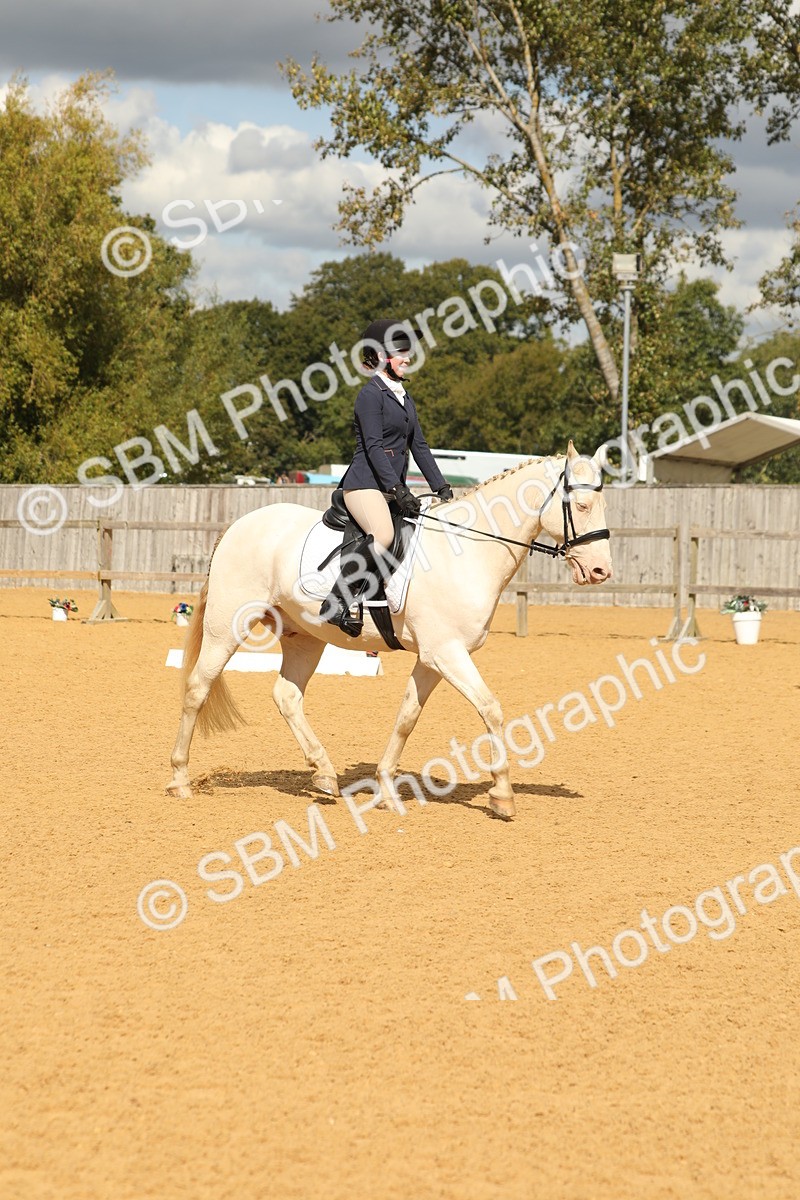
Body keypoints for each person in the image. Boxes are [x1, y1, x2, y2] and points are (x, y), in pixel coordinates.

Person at [319, 318, 454, 636]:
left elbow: (419, 447)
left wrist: (442, 487)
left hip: (391, 488)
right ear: (381, 356)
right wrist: (397, 487)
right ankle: (337, 601)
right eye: (402, 351)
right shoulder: (370, 395)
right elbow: (374, 447)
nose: (409, 357)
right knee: (382, 535)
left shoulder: (404, 398)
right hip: (364, 484)